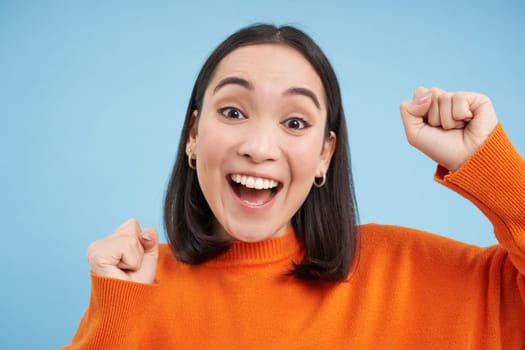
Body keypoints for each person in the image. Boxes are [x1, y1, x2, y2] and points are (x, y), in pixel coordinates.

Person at [62, 24, 525, 349]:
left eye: (296, 121)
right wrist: (115, 317)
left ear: (325, 153)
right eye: (233, 112)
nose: (260, 147)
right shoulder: (135, 289)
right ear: (193, 134)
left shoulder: (407, 275)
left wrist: (491, 165)